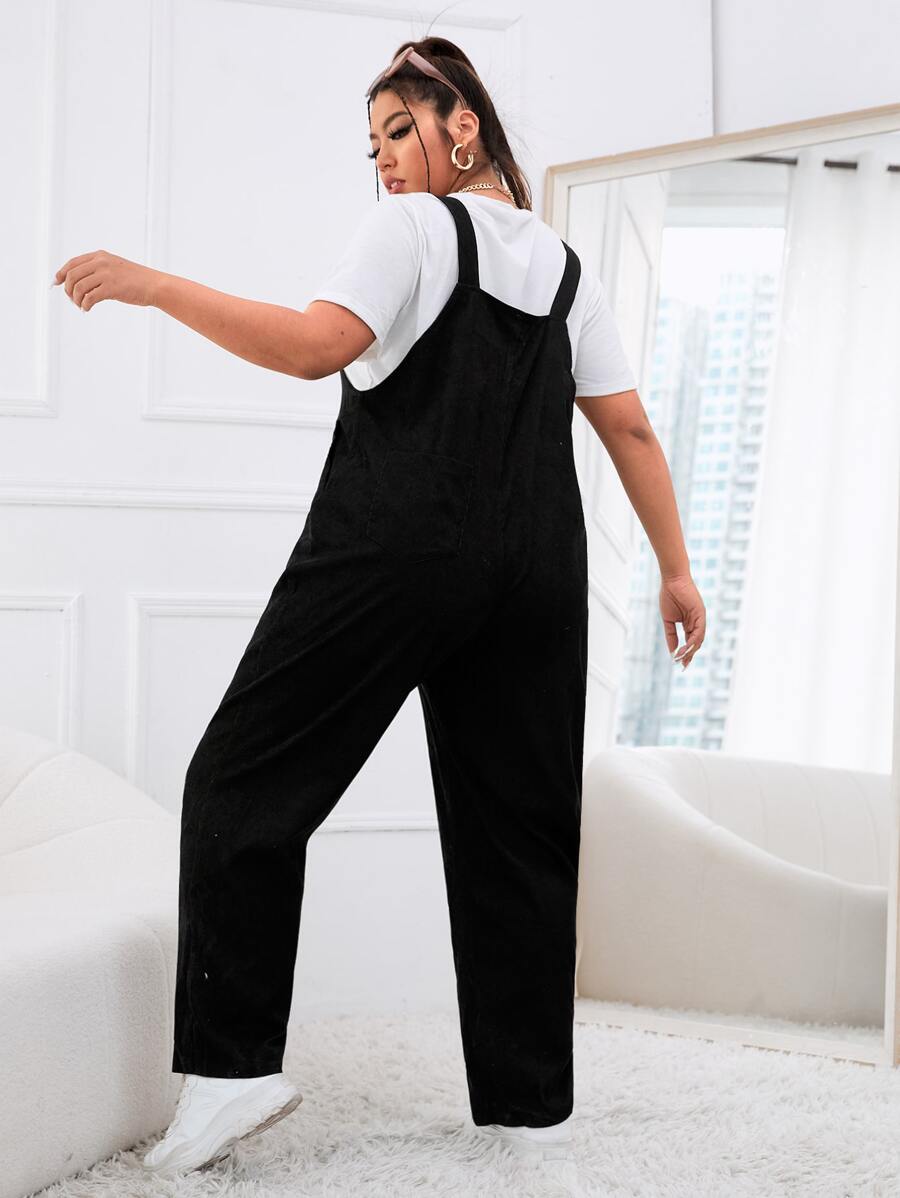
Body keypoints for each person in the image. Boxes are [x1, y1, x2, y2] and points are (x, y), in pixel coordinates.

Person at [136, 36, 705, 1190]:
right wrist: (676, 569)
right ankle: (529, 1105)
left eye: (400, 130)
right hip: (537, 569)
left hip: (399, 542)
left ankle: (233, 1068)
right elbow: (629, 426)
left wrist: (157, 287)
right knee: (520, 831)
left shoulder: (409, 231)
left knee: (239, 780)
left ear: (463, 125)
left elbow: (317, 348)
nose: (386, 162)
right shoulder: (567, 269)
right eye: (374, 145)